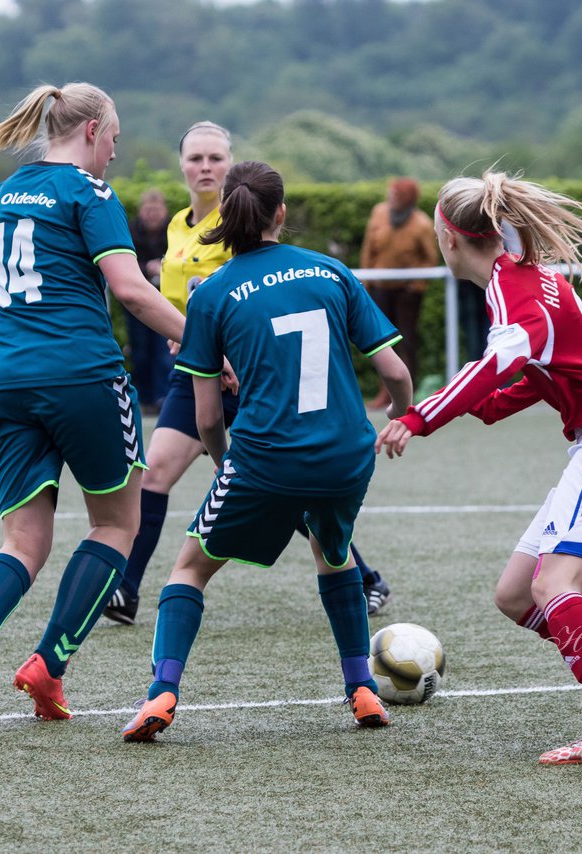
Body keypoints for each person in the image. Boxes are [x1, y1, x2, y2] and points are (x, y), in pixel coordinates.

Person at [375, 172, 582, 765]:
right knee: (517, 595)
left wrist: (421, 416)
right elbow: (549, 363)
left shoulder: (514, 288)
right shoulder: (525, 279)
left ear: (449, 239)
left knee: (554, 585)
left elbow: (501, 359)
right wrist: (496, 402)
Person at [120, 160, 413, 742]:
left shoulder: (213, 293)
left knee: (188, 569)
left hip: (264, 459)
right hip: (346, 457)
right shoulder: (331, 272)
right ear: (281, 213)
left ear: (227, 215)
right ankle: (361, 688)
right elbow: (397, 373)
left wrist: (228, 459)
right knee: (335, 557)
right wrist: (399, 419)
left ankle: (162, 694)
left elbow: (206, 418)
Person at [0, 82, 186, 729]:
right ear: (93, 130)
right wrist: (202, 339)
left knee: (22, 540)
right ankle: (49, 664)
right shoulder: (89, 192)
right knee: (117, 526)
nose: (113, 157)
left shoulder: (9, 189)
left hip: (8, 377)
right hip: (82, 376)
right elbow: (130, 290)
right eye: (115, 142)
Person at [101, 121, 394, 626]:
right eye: (196, 158)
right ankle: (126, 589)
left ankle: (364, 578)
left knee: (285, 484)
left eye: (216, 157)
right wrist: (184, 336)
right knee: (157, 474)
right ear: (182, 165)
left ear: (231, 163)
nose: (205, 167)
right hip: (198, 375)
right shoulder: (176, 226)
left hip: (261, 376)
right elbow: (180, 307)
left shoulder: (246, 220)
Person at [358, 177, 439, 409]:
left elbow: (429, 259)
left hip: (406, 293)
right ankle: (385, 392)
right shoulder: (379, 213)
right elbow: (368, 248)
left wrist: (416, 285)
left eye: (396, 195)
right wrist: (366, 280)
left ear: (408, 200)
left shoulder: (421, 224)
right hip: (380, 288)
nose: (390, 198)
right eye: (390, 193)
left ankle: (405, 394)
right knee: (381, 342)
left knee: (406, 340)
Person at [125, 188, 172, 413]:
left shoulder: (173, 230)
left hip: (166, 298)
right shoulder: (131, 231)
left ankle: (162, 396)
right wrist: (147, 268)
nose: (153, 214)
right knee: (140, 349)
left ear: (164, 211)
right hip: (137, 300)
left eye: (157, 210)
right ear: (142, 211)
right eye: (148, 210)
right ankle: (144, 399)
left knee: (164, 350)